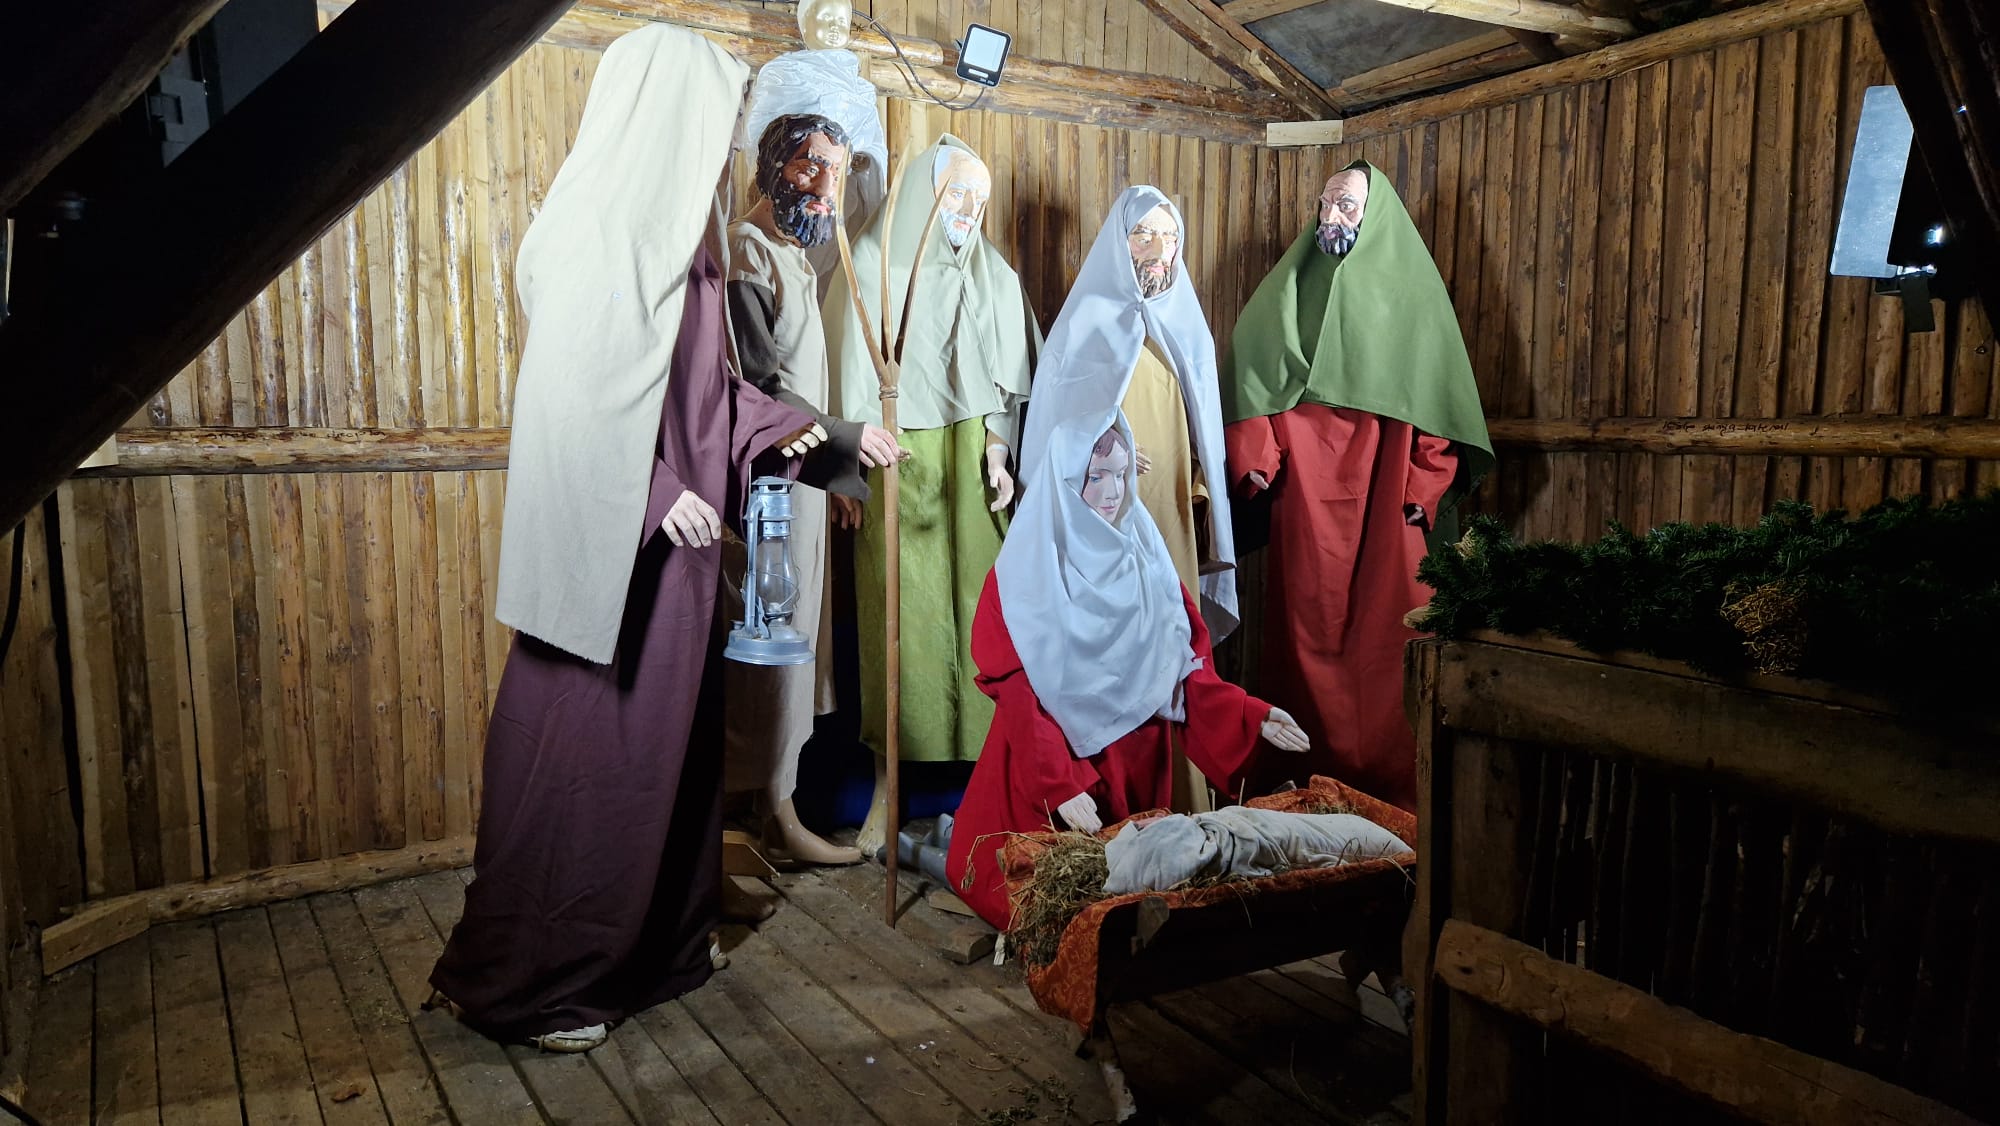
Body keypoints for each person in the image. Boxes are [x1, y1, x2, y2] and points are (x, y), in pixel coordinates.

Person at [429, 25, 851, 1053]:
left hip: (674, 567)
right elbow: (567, 400)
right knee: (584, 764)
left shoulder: (688, 247)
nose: (728, 146)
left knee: (667, 760)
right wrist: (657, 491)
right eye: (716, 122)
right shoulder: (595, 234)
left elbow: (714, 398)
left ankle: (656, 947)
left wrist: (828, 438)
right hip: (608, 557)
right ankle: (544, 982)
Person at [942, 409, 1309, 931]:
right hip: (1060, 770)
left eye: (1120, 473)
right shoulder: (1023, 575)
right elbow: (1018, 692)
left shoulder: (1148, 561)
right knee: (1054, 901)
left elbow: (1182, 671)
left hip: (1135, 765)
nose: (1113, 492)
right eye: (1096, 476)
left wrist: (1248, 715)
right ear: (1065, 480)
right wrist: (1059, 783)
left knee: (1131, 893)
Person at [1221, 162, 1493, 810]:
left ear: (1375, 216)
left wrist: (1424, 485)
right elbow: (1253, 373)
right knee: (1305, 631)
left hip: (1386, 497)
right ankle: (1304, 787)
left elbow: (1438, 404)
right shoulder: (1289, 289)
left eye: (1345, 205)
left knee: (1393, 636)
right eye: (1326, 204)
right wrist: (1257, 458)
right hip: (1308, 500)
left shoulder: (1413, 295)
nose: (1330, 216)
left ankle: (1396, 797)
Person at [821, 134, 1039, 854]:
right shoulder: (872, 267)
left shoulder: (993, 273)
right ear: (926, 195)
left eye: (979, 198)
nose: (970, 211)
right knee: (901, 625)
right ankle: (887, 790)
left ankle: (991, 790)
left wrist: (1000, 450)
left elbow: (1008, 379)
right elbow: (845, 372)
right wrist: (846, 472)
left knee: (983, 618)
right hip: (898, 459)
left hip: (969, 466)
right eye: (957, 195)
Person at [724, 112, 907, 865]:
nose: (826, 185)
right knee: (771, 642)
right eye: (810, 165)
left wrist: (833, 480)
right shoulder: (746, 250)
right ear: (772, 167)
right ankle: (761, 813)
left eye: (835, 169)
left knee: (800, 645)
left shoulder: (794, 254)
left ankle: (778, 808)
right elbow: (758, 386)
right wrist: (843, 438)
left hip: (801, 481)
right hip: (768, 484)